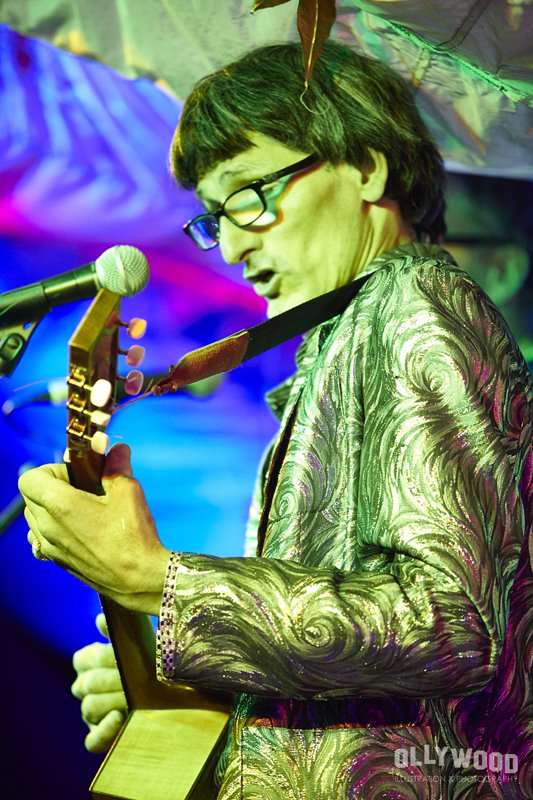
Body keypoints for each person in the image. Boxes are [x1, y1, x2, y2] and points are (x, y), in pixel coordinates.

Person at [19, 41, 533, 799]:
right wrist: (196, 684)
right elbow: (376, 697)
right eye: (214, 216)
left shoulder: (416, 311)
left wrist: (156, 580)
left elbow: (448, 625)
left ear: (366, 168)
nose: (230, 245)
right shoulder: (355, 332)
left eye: (249, 193)